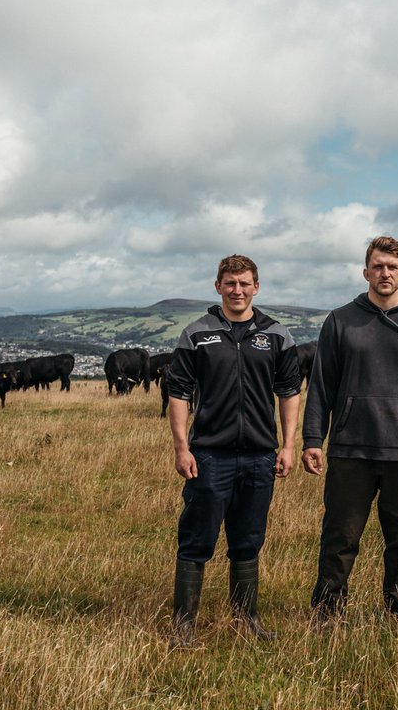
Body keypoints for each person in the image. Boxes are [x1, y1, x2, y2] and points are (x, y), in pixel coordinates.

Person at [301, 235, 398, 637]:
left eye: (392, 267)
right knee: (340, 535)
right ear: (365, 272)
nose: (384, 273)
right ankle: (328, 615)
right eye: (377, 266)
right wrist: (313, 439)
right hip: (350, 448)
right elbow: (320, 386)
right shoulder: (340, 320)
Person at [164, 254, 302, 646]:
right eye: (230, 283)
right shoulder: (196, 334)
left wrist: (288, 445)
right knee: (197, 538)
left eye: (244, 283)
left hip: (260, 456)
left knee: (248, 538)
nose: (237, 290)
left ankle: (247, 619)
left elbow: (289, 392)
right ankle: (183, 625)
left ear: (256, 287)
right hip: (209, 455)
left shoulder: (277, 335)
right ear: (218, 286)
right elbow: (177, 392)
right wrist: (181, 448)